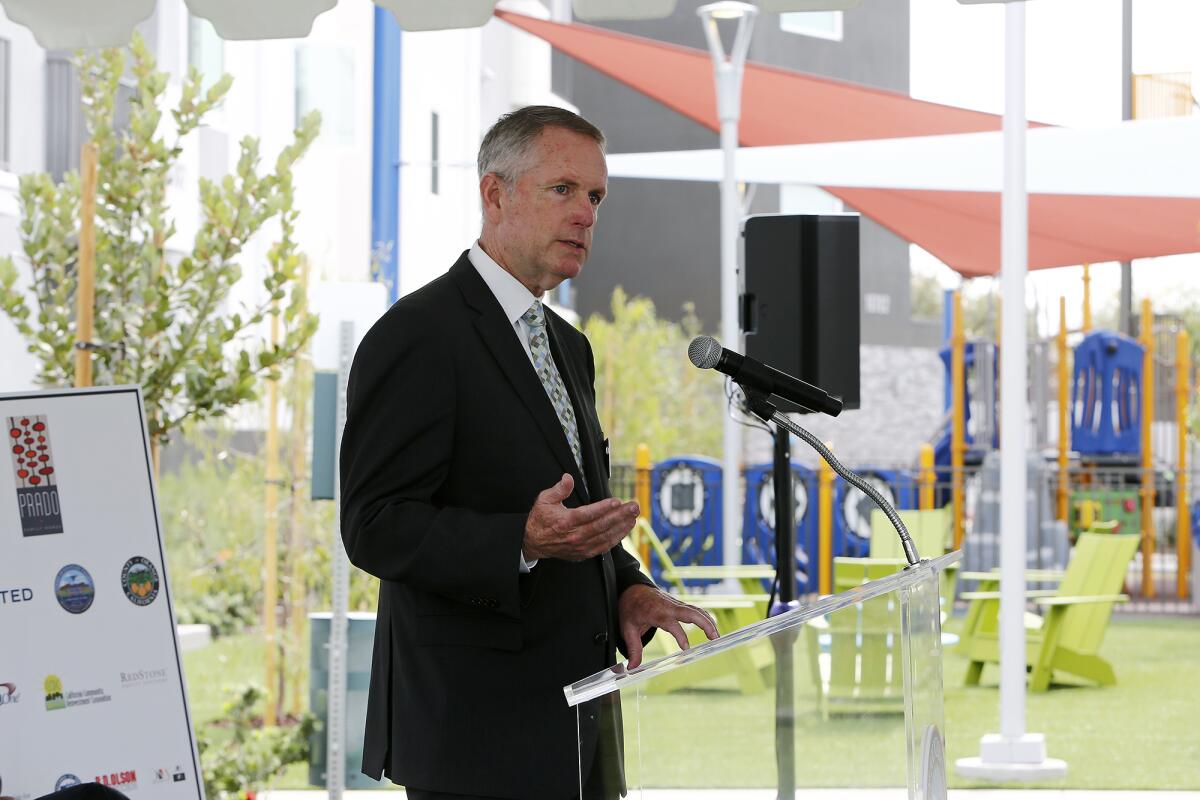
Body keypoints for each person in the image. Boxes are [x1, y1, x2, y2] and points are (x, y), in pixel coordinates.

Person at [339, 105, 718, 800]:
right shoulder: (418, 336)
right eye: (563, 190)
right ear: (495, 194)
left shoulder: (568, 347)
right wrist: (518, 539)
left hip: (579, 729)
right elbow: (374, 525)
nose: (586, 214)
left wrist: (628, 589)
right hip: (476, 742)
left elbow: (577, 520)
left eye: (597, 197)